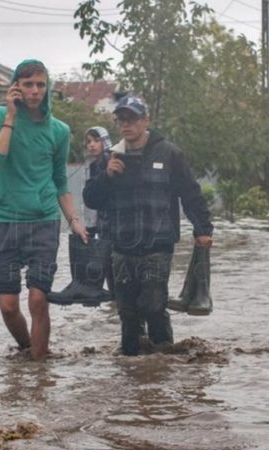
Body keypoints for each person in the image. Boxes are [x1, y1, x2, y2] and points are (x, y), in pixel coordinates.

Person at [83, 95, 214, 356]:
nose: (126, 125)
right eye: (121, 120)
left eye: (132, 119)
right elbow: (91, 199)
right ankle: (134, 370)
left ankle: (162, 363)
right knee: (127, 312)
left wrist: (203, 230)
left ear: (146, 121)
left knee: (153, 305)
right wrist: (106, 177)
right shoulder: (110, 157)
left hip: (158, 245)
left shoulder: (169, 153)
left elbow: (190, 193)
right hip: (121, 246)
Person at [0, 59, 87, 360]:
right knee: (8, 305)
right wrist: (11, 117)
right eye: (28, 84)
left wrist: (75, 221)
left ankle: (39, 373)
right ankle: (28, 349)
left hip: (44, 222)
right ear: (16, 87)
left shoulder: (59, 130)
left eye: (40, 84)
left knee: (38, 300)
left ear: (48, 88)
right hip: (4, 222)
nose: (34, 90)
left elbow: (59, 181)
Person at [47, 126, 115, 306]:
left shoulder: (110, 162)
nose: (92, 145)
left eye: (96, 140)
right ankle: (97, 295)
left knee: (113, 268)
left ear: (105, 141)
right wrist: (90, 227)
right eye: (89, 142)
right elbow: (90, 199)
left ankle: (107, 299)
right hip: (101, 222)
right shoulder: (92, 165)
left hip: (113, 223)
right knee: (105, 264)